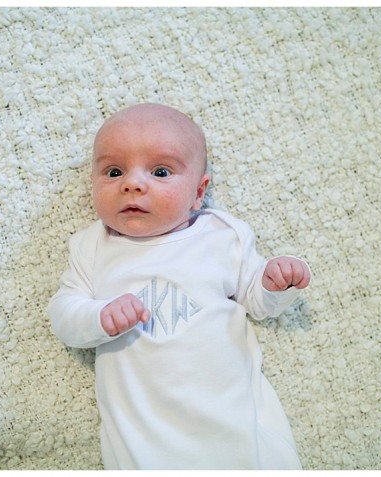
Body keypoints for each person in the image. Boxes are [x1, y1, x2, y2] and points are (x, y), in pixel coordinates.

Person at [48, 103, 311, 469]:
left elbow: (258, 301)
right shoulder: (93, 245)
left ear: (198, 192)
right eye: (113, 171)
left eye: (160, 171)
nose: (133, 183)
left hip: (232, 417)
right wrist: (98, 317)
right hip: (144, 434)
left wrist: (274, 282)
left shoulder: (221, 236)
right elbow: (63, 315)